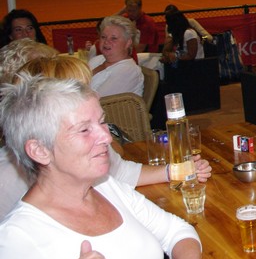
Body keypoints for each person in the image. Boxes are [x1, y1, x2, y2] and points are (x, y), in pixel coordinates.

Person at [0, 76, 256, 259]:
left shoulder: (105, 187)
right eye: (85, 130)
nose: (106, 137)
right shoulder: (18, 238)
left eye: (102, 122)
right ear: (39, 150)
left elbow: (175, 230)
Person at [0, 54, 211, 218]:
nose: (107, 137)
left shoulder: (89, 143)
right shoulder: (8, 181)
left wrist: (178, 170)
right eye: (80, 90)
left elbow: (122, 172)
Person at [87, 16, 144, 97]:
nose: (106, 42)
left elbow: (99, 99)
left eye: (113, 38)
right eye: (103, 37)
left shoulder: (129, 70)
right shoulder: (97, 59)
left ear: (128, 43)